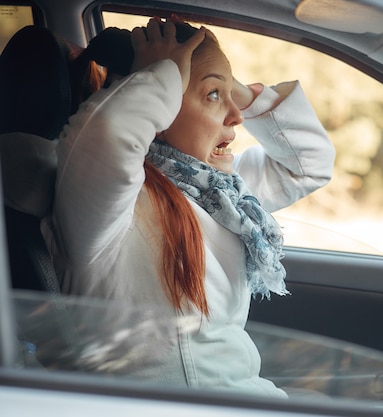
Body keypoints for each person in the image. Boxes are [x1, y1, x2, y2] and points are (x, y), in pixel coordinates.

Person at [42, 17, 335, 397]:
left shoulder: (218, 192)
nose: (238, 116)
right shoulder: (109, 200)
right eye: (213, 96)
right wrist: (164, 72)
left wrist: (221, 82)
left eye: (231, 96)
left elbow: (309, 165)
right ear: (160, 109)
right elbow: (111, 132)